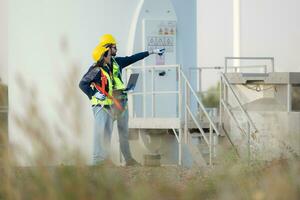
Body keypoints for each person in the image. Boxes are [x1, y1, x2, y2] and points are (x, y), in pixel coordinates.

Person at [98, 34, 165, 166]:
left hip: (122, 101)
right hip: (109, 103)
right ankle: (104, 160)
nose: (116, 49)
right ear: (107, 48)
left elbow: (134, 58)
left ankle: (128, 160)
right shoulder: (99, 66)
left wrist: (151, 52)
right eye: (114, 47)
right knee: (107, 133)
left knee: (123, 134)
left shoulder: (118, 62)